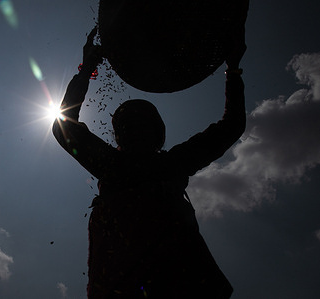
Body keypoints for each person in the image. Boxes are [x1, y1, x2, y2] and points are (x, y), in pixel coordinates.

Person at [53, 26, 246, 298]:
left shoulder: (117, 166)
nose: (135, 130)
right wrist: (233, 68)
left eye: (139, 125)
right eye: (131, 125)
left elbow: (63, 127)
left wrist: (88, 68)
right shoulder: (166, 164)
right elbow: (232, 125)